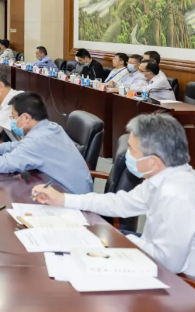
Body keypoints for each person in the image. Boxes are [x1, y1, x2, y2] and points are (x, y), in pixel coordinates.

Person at [31, 114, 195, 277]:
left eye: (132, 150)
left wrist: (121, 239)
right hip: (150, 251)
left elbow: (168, 263)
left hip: (179, 279)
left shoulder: (177, 195)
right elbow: (119, 203)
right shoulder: (161, 178)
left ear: (154, 162)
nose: (127, 155)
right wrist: (63, 199)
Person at [0, 92, 92, 194]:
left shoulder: (38, 139)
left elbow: (4, 164)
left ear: (25, 117)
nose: (13, 120)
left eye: (13, 116)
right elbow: (20, 145)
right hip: (67, 189)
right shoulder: (51, 127)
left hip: (70, 197)